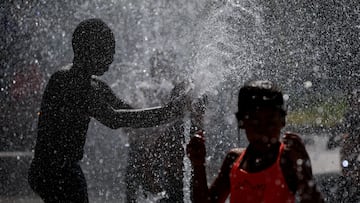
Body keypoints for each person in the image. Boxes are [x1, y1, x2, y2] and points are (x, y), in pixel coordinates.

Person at [28, 18, 187, 203]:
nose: (112, 57)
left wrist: (166, 112)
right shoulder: (70, 82)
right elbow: (114, 119)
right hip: (55, 172)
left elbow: (124, 108)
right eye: (107, 50)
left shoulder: (90, 83)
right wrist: (168, 113)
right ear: (90, 51)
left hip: (61, 169)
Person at [186, 80, 324, 203]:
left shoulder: (287, 161)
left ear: (282, 121)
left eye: (270, 122)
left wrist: (304, 170)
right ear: (241, 122)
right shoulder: (233, 161)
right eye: (254, 121)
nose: (262, 130)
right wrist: (199, 165)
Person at [125, 49, 206, 203]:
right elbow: (129, 128)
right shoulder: (143, 90)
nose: (162, 69)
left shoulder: (178, 91)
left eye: (166, 65)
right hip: (147, 150)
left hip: (165, 161)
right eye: (159, 65)